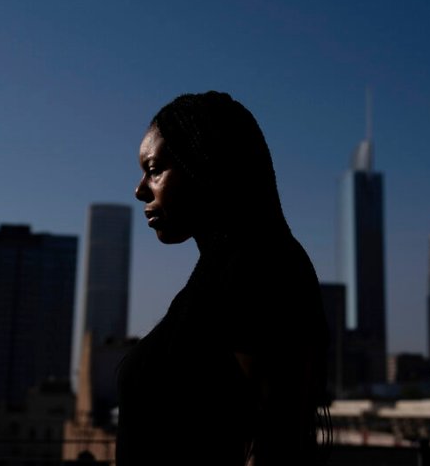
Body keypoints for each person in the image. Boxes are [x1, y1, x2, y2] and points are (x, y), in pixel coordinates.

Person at [116, 91, 330, 466]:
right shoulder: (218, 276)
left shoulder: (259, 266)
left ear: (203, 165)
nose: (139, 190)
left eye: (153, 170)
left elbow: (278, 444)